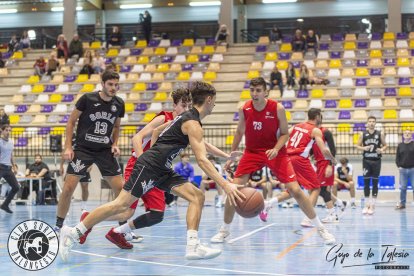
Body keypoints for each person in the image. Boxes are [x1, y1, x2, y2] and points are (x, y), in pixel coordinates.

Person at [59, 81, 245, 261]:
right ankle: (74, 232)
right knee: (121, 205)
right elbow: (202, 160)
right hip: (151, 166)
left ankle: (193, 246)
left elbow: (158, 133)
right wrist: (225, 184)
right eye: (215, 102)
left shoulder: (186, 119)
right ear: (210, 100)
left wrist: (225, 156)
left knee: (197, 196)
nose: (214, 105)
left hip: (161, 168)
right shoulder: (191, 122)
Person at [211, 78, 335, 245]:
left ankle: (321, 230)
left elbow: (285, 134)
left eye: (258, 90)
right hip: (252, 152)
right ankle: (224, 231)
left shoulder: (278, 108)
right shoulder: (244, 109)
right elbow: (240, 131)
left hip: (275, 152)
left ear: (265, 92)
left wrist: (276, 148)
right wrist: (232, 155)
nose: (255, 93)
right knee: (233, 189)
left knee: (295, 190)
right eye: (252, 90)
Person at [55, 71, 126, 239]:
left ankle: (122, 230)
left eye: (116, 85)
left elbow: (116, 127)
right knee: (68, 188)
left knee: (121, 190)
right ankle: (58, 226)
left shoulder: (119, 103)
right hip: (83, 150)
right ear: (102, 83)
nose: (113, 88)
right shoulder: (87, 99)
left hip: (104, 151)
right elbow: (71, 121)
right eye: (110, 84)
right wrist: (68, 147)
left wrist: (115, 144)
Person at [259, 108, 336, 228]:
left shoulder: (296, 126)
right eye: (320, 116)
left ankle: (268, 204)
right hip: (300, 160)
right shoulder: (316, 130)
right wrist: (332, 160)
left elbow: (280, 135)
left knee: (293, 190)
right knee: (316, 189)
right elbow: (324, 150)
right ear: (317, 117)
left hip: (287, 158)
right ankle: (308, 219)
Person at [311, 123, 342, 223]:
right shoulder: (312, 133)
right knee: (318, 189)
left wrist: (330, 164)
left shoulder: (325, 132)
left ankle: (332, 214)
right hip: (319, 164)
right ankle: (339, 203)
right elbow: (313, 149)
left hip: (326, 163)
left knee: (323, 189)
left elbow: (333, 149)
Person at [356, 116, 387, 215]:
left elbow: (386, 145)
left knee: (374, 183)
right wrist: (363, 148)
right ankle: (366, 205)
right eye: (370, 121)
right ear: (367, 123)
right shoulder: (363, 134)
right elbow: (357, 146)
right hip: (366, 161)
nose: (371, 123)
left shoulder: (379, 134)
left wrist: (381, 150)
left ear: (375, 123)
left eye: (373, 121)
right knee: (366, 183)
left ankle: (372, 206)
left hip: (377, 161)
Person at [0, 125, 20, 213]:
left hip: (8, 168)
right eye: (6, 130)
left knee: (16, 187)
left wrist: (14, 166)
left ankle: (5, 205)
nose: (8, 132)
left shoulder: (11, 142)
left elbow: (11, 155)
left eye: (9, 130)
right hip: (0, 167)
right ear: (2, 131)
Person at [395, 129, 414, 209]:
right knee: (403, 187)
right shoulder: (400, 145)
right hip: (402, 170)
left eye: (408, 133)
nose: (407, 134)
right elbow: (397, 157)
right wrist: (399, 166)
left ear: (411, 135)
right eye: (405, 133)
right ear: (403, 135)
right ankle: (402, 204)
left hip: (413, 169)